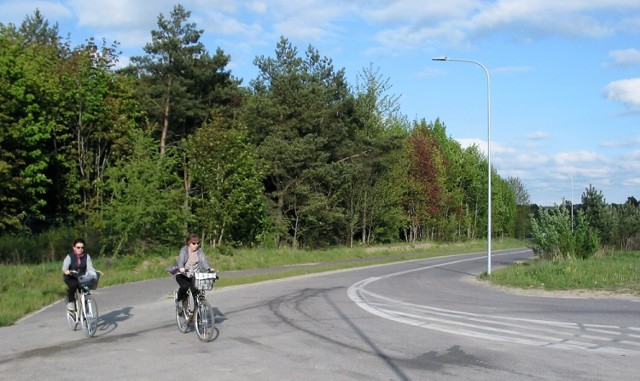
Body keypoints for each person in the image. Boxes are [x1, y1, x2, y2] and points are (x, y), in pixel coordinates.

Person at [175, 234, 215, 312]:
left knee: (196, 291)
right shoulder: (184, 250)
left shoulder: (199, 251)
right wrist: (181, 268)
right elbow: (180, 261)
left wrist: (209, 269)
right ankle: (179, 300)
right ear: (188, 243)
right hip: (183, 274)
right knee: (185, 286)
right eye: (194, 243)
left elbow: (203, 261)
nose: (196, 245)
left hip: (195, 275)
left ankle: (197, 312)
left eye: (197, 243)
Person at [62, 238, 95, 311]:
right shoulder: (69, 256)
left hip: (81, 276)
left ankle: (85, 308)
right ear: (74, 248)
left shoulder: (87, 256)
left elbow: (90, 267)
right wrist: (66, 271)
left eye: (82, 247)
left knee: (85, 288)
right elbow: (64, 267)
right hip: (71, 276)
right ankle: (70, 301)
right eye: (78, 247)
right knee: (73, 285)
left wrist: (94, 271)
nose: (80, 249)